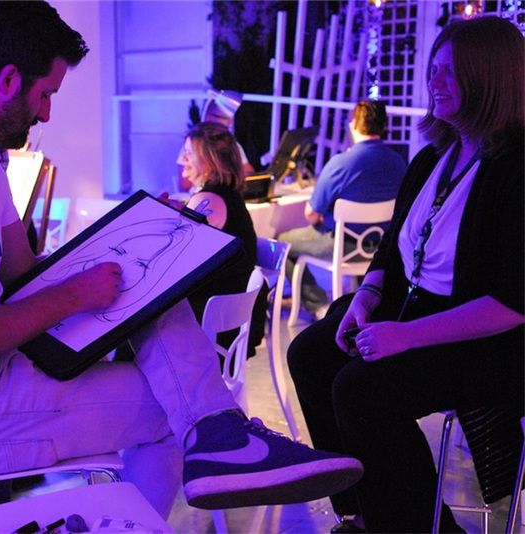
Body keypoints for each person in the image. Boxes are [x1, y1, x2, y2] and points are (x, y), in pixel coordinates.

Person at [0, 0, 363, 519]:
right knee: (180, 411)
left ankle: (220, 436)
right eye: (45, 94)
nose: (46, 113)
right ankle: (217, 441)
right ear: (8, 80)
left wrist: (133, 241)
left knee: (151, 301)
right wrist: (76, 293)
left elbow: (24, 272)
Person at [287, 16, 524, 533]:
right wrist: (366, 298)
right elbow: (392, 253)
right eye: (433, 69)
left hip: (483, 340)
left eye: (449, 71)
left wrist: (406, 336)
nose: (433, 82)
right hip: (409, 309)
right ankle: (361, 513)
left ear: (490, 77)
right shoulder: (431, 159)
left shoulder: (516, 170)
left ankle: (420, 526)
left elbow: (514, 302)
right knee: (310, 354)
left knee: (361, 390)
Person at [278, 100, 406, 320]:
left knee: (282, 243)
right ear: (383, 125)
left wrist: (324, 216)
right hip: (383, 248)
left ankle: (319, 305)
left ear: (354, 124)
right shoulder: (398, 162)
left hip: (345, 246)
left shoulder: (340, 163)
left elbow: (311, 215)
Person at [183, 121, 267, 355]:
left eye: (189, 153)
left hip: (217, 322)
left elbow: (181, 262)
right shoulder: (228, 195)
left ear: (209, 161)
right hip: (234, 313)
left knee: (140, 321)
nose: (184, 159)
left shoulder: (207, 200)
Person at [177, 90, 255, 192]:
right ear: (209, 117)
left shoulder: (230, 144)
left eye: (228, 119)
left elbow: (249, 173)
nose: (228, 123)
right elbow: (184, 185)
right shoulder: (193, 144)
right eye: (222, 118)